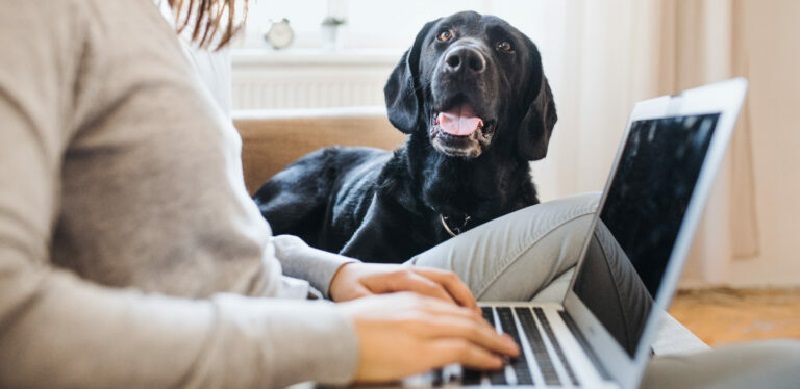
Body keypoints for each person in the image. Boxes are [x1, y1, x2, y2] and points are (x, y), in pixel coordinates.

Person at [1, 1, 798, 388]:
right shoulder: (45, 14)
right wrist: (340, 338)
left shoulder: (161, 28)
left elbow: (213, 239)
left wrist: (331, 273)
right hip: (298, 353)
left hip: (306, 312)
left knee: (760, 358)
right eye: (447, 46)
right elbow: (14, 322)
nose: (466, 57)